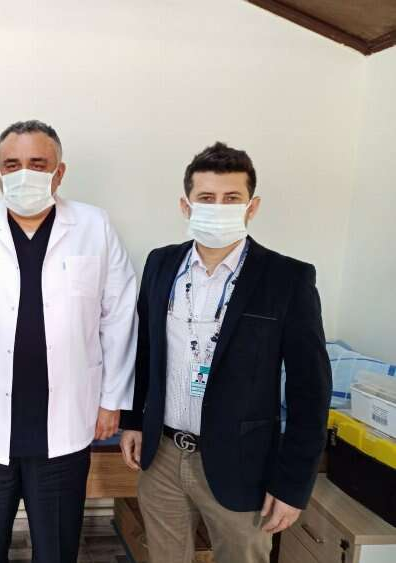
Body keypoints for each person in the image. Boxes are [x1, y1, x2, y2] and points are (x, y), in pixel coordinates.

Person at [0, 120, 137, 563]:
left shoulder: (94, 226)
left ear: (59, 172)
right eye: (12, 164)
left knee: (57, 549)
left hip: (67, 422)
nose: (24, 174)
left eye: (38, 163)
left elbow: (119, 317)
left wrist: (113, 400)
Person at [119, 142, 332, 563]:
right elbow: (144, 349)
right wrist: (133, 421)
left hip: (242, 465)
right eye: (206, 198)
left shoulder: (286, 278)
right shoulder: (161, 264)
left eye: (231, 198)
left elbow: (310, 391)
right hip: (162, 457)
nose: (218, 207)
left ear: (252, 207)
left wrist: (293, 486)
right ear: (186, 206)